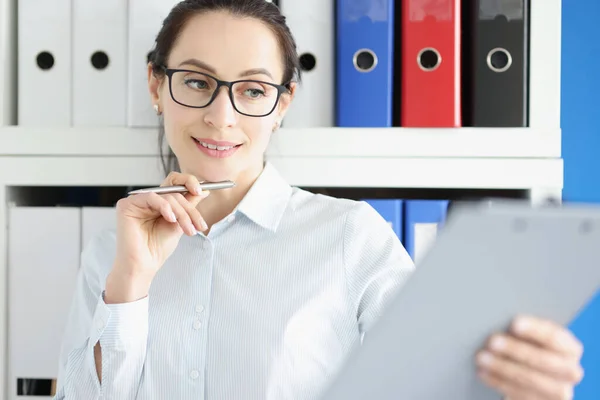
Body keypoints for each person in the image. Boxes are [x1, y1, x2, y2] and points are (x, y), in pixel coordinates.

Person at [54, 0, 585, 399]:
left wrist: (513, 383)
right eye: (196, 82)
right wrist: (132, 282)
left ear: (283, 103)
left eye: (254, 90)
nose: (221, 117)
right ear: (156, 85)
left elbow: (434, 385)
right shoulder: (109, 254)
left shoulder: (352, 235)